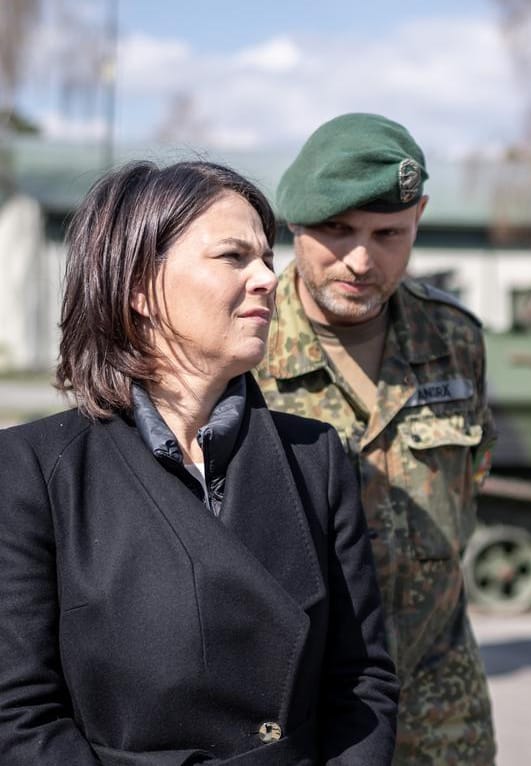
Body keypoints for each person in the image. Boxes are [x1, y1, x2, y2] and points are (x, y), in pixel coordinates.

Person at [0, 161, 399, 765]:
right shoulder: (32, 471)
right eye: (233, 257)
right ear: (138, 286)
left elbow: (362, 684)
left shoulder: (315, 458)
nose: (268, 278)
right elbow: (19, 711)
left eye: (267, 257)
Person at [257, 113, 497, 765]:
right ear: (294, 225)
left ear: (418, 216)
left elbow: (471, 483)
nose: (362, 260)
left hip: (438, 698)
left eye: (388, 234)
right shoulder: (243, 349)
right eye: (336, 231)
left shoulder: (454, 342)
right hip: (291, 704)